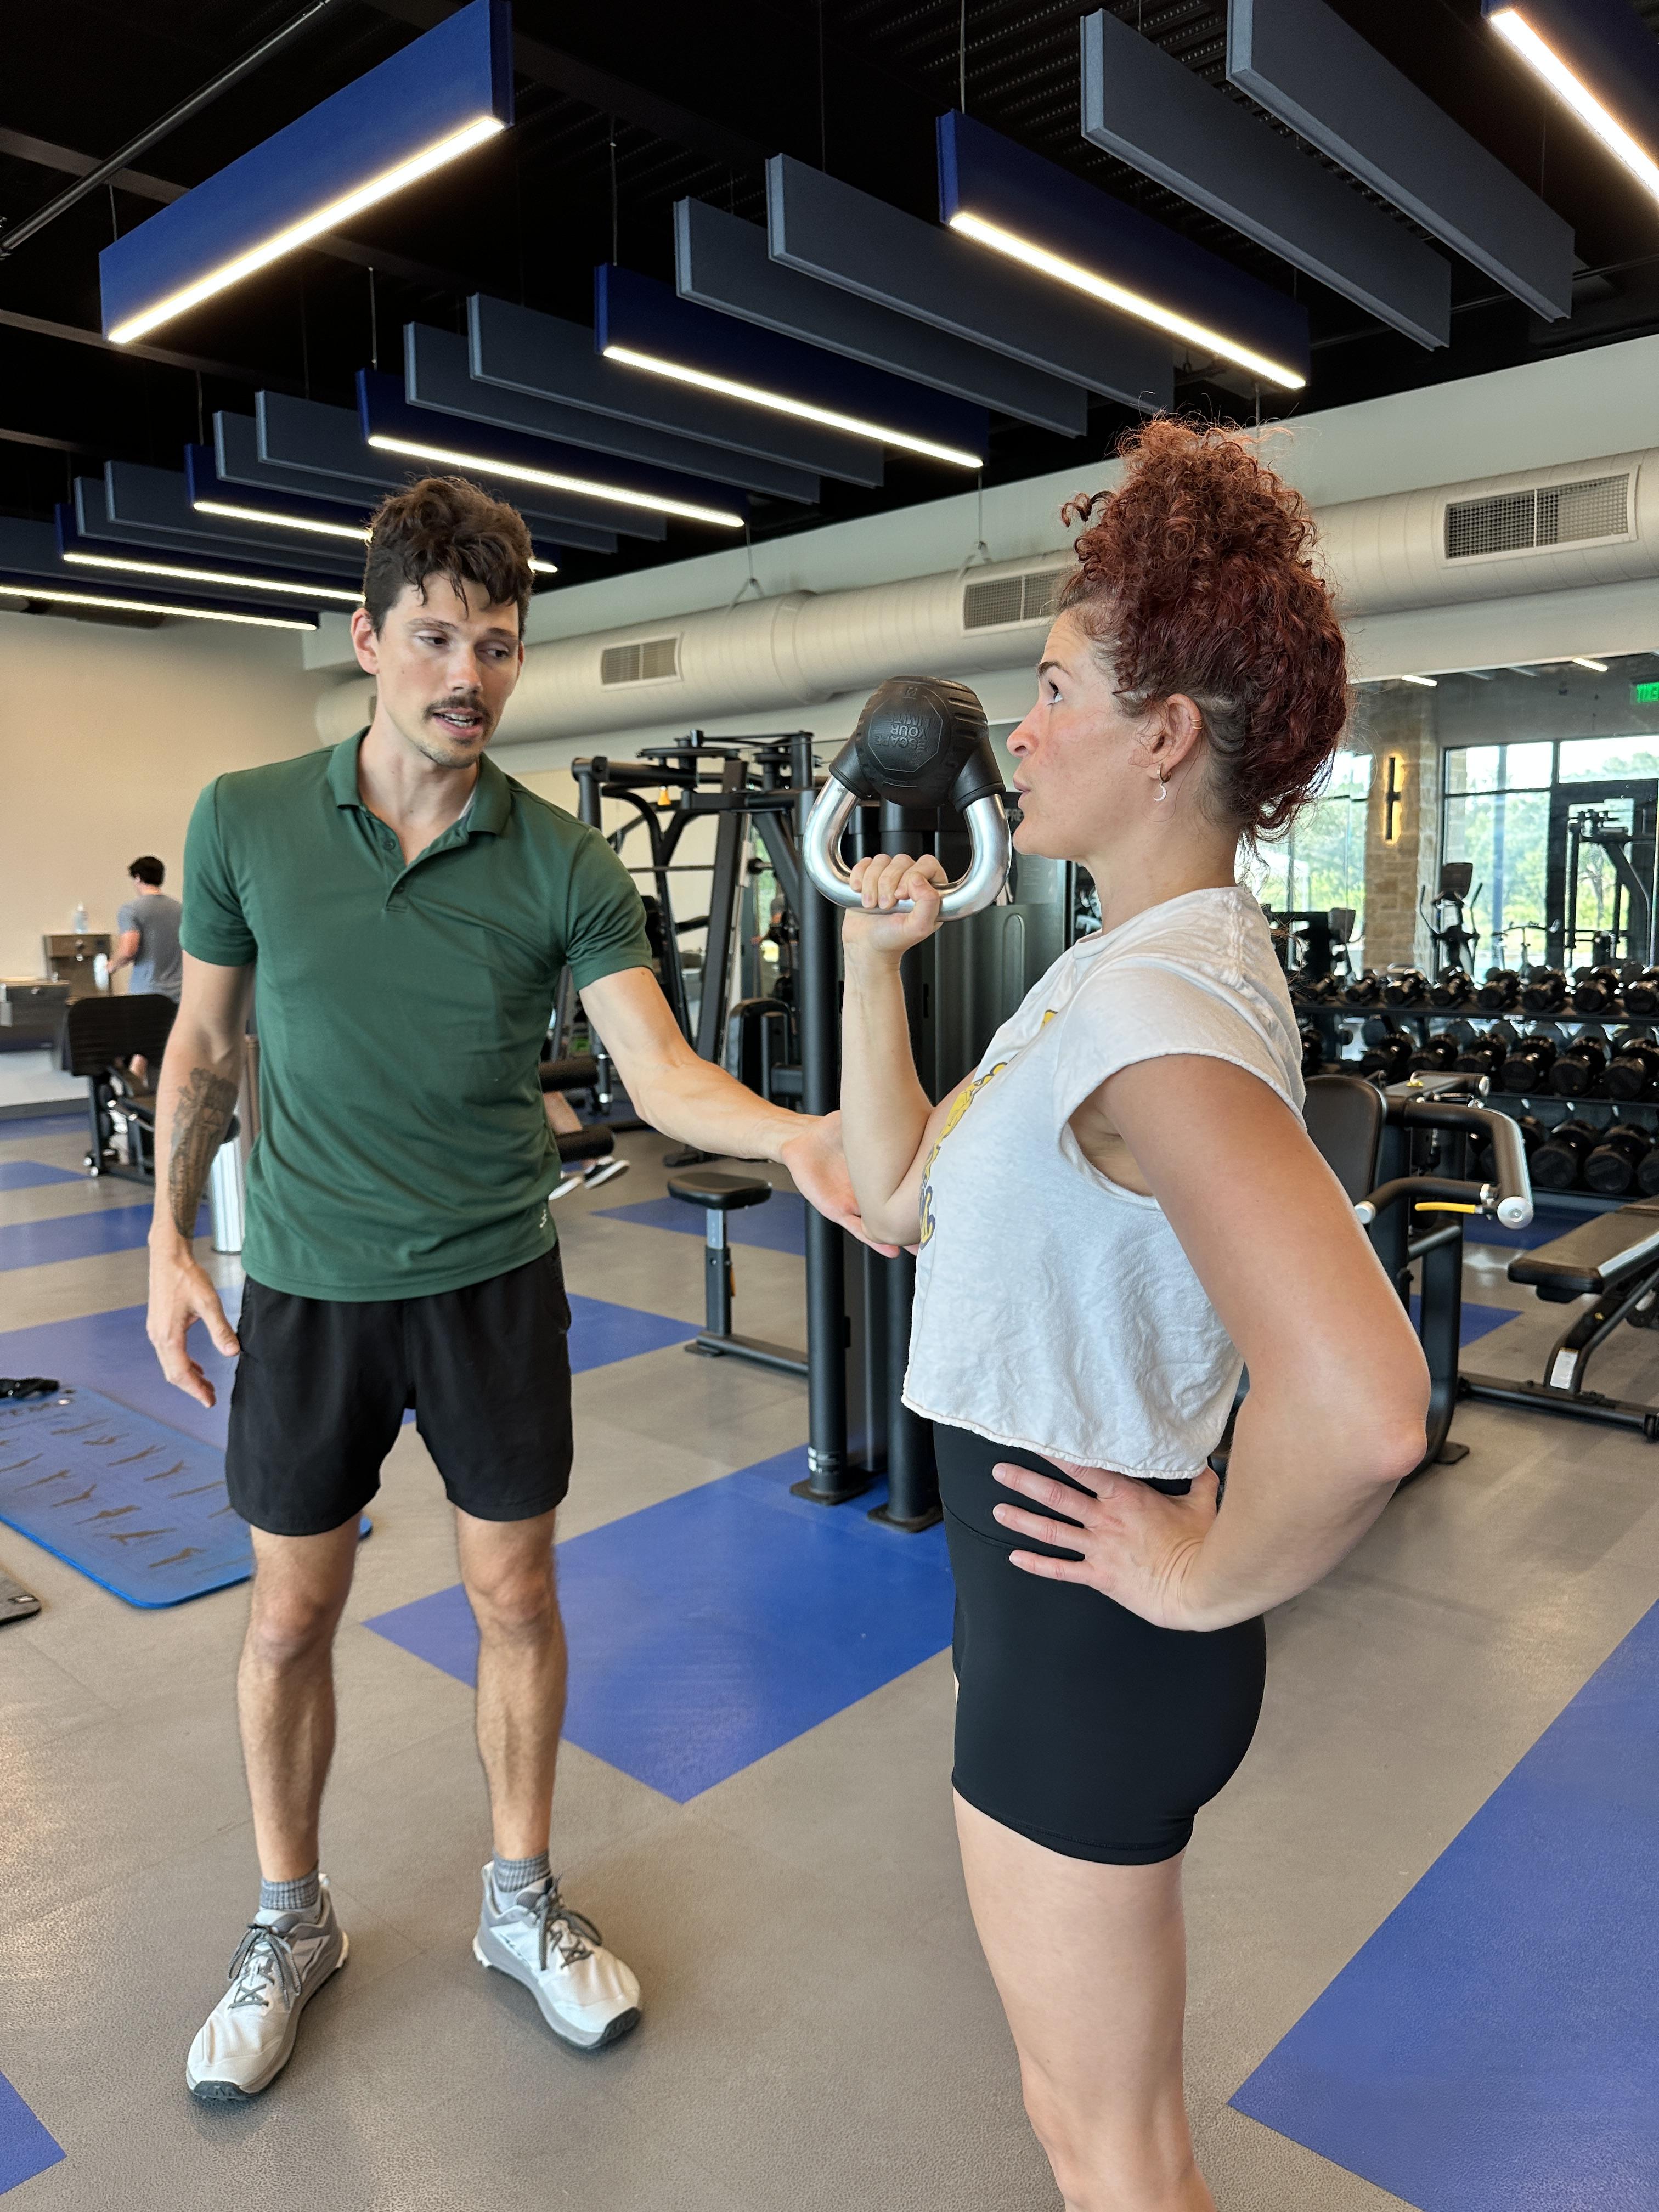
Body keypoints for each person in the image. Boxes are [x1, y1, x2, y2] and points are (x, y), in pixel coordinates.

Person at [146, 474, 879, 2104]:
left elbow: (660, 1071)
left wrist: (798, 1138)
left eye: (496, 644)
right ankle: (288, 1921)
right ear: (366, 641)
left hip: (491, 1281)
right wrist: (171, 1242)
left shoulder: (563, 861)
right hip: (312, 1290)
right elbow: (202, 1043)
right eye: (433, 638)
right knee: (289, 1616)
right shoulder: (245, 818)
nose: (466, 675)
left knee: (515, 1600)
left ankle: (518, 1898)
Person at [837, 420, 1430, 2212]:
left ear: (1164, 735)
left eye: (1051, 691)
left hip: (1088, 1637)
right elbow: (894, 1194)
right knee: (1115, 2133)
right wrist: (875, 969)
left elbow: (1369, 1408)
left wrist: (1197, 1574)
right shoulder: (1131, 968)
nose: (1016, 733)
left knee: (1105, 2151)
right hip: (1065, 1627)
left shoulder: (1147, 1014)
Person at [110, 854, 182, 1087]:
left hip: (148, 994)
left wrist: (111, 966)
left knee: (140, 1051)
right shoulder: (180, 909)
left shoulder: (131, 910)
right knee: (171, 1050)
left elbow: (129, 949)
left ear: (138, 878)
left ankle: (132, 1099)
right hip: (180, 994)